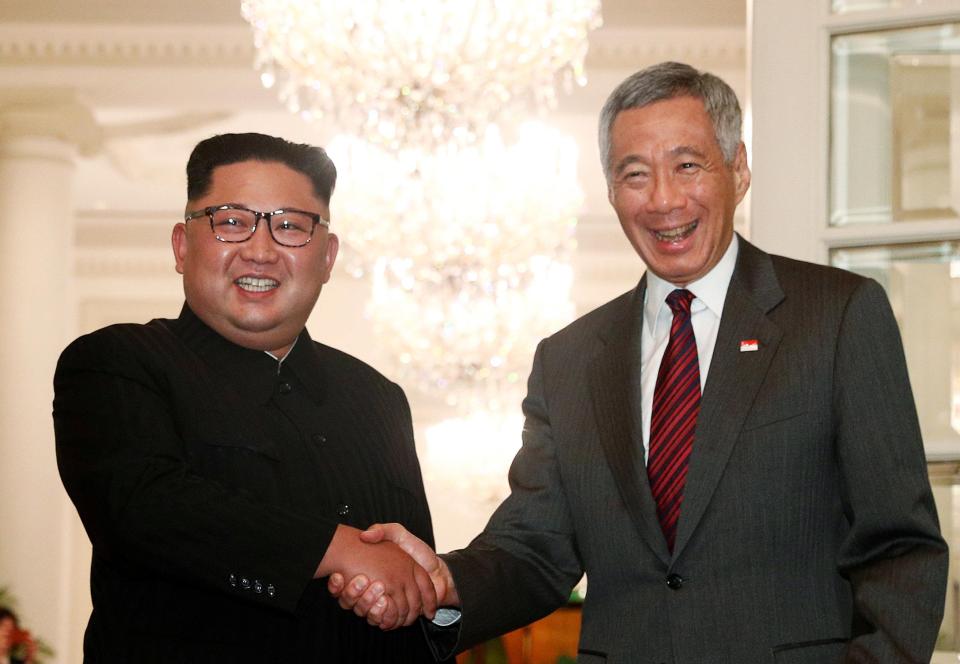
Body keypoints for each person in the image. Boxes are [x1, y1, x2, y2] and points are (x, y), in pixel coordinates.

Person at [331, 62, 949, 662]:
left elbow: (900, 547)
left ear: (737, 170)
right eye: (635, 175)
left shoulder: (837, 317)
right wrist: (440, 580)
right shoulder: (568, 360)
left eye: (687, 165)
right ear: (610, 192)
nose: (663, 200)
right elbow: (534, 549)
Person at [53, 132, 442, 663]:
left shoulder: (378, 398)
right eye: (231, 221)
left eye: (290, 227)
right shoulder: (117, 362)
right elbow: (145, 509)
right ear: (182, 245)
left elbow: (412, 571)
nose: (260, 251)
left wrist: (413, 596)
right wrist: (339, 550)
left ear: (326, 258)